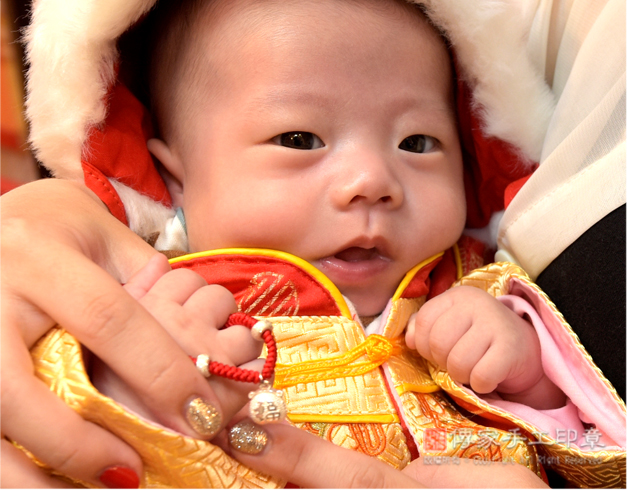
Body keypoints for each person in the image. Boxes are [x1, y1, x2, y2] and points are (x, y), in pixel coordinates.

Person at [2, 0, 624, 488]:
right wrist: (115, 389)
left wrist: (527, 372)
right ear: (172, 177)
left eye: (417, 143)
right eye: (300, 139)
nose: (372, 182)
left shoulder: (476, 284)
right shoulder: (148, 298)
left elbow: (598, 453)